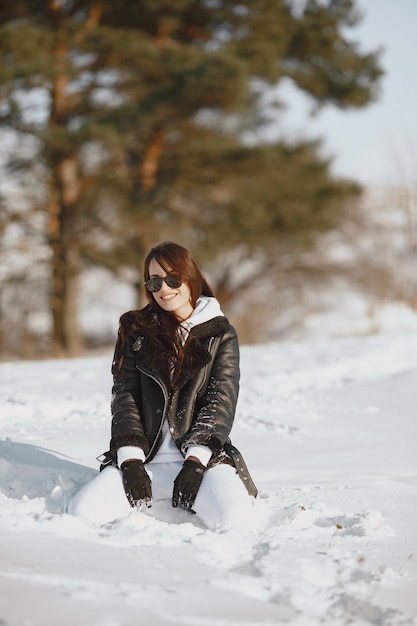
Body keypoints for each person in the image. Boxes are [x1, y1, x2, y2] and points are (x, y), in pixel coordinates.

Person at [69, 241, 259, 530]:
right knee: (83, 513)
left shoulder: (221, 333)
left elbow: (219, 403)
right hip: (142, 460)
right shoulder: (136, 331)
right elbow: (126, 398)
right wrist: (130, 462)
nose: (164, 288)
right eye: (154, 281)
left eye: (173, 278)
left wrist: (196, 464)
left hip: (200, 462)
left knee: (236, 521)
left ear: (191, 278)